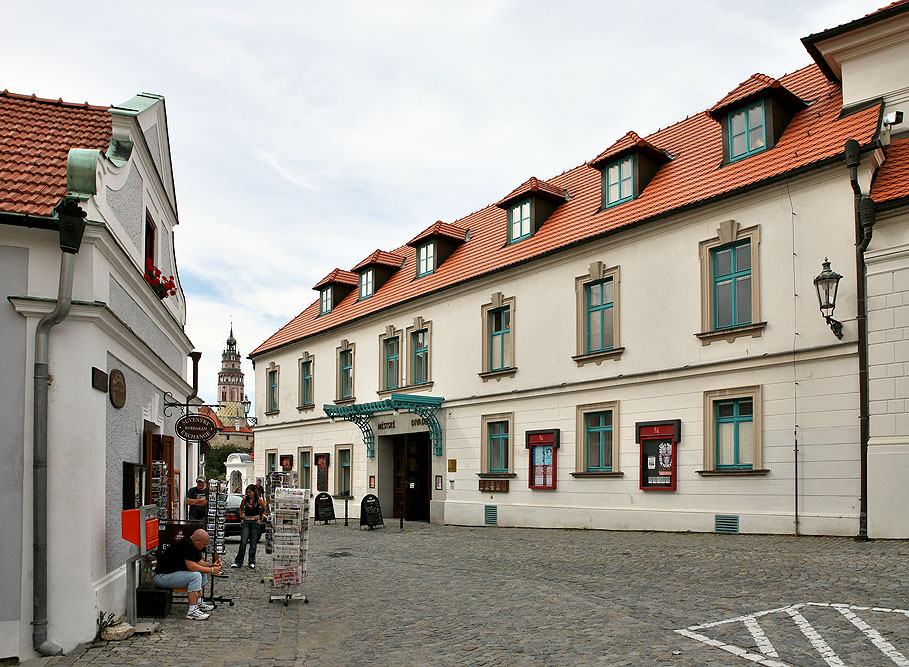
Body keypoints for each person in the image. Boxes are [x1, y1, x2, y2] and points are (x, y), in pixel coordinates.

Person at [153, 529, 221, 620]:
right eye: (204, 544)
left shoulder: (194, 545)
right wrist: (211, 570)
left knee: (202, 572)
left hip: (171, 574)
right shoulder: (186, 544)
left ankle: (198, 602)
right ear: (197, 541)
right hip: (162, 577)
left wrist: (211, 565)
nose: (205, 546)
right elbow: (192, 567)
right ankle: (192, 611)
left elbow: (198, 562)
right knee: (195, 576)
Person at [231, 484, 266, 569]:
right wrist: (242, 518)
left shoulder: (258, 500)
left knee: (253, 543)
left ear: (254, 492)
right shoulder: (245, 499)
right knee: (243, 541)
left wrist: (260, 519)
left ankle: (252, 561)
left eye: (250, 492)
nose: (248, 494)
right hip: (246, 521)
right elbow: (240, 509)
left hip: (255, 521)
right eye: (247, 492)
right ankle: (238, 561)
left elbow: (265, 509)